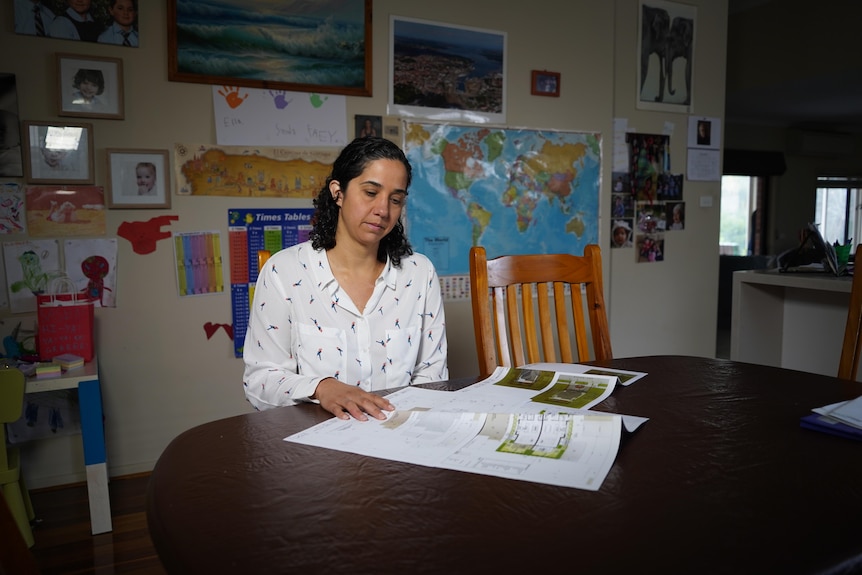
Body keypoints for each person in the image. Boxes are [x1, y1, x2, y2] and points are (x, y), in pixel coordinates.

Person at [242, 137, 448, 420]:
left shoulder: (419, 274)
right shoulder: (284, 272)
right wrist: (321, 387)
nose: (383, 210)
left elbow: (432, 375)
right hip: (315, 442)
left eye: (396, 199)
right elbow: (259, 382)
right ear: (338, 193)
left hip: (399, 437)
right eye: (370, 192)